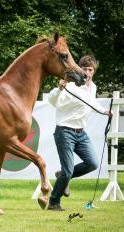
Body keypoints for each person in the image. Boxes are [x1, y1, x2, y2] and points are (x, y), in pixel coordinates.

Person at [47, 55, 111, 211]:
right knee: (68, 170)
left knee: (93, 163)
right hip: (64, 131)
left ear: (94, 71)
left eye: (90, 70)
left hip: (81, 133)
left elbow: (91, 102)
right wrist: (58, 89)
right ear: (79, 69)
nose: (87, 72)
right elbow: (53, 101)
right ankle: (54, 202)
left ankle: (62, 175)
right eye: (85, 69)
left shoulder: (93, 87)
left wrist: (104, 111)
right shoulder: (71, 85)